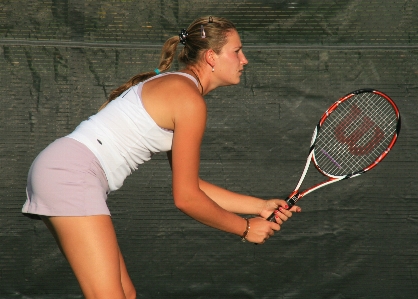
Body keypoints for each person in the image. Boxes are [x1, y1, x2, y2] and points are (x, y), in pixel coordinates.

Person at [22, 16, 301, 299]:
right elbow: (186, 198)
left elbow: (193, 187)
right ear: (211, 57)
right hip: (70, 173)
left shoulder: (176, 87)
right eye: (237, 51)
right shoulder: (189, 100)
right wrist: (245, 228)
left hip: (61, 168)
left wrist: (260, 205)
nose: (245, 60)